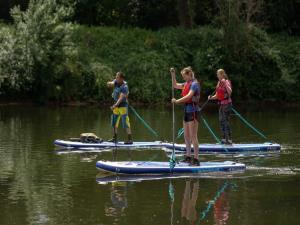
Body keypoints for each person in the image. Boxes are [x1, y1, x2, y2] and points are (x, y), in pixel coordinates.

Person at [170, 67, 200, 166]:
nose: (183, 78)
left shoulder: (194, 84)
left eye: (184, 76)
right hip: (186, 110)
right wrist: (173, 75)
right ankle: (188, 157)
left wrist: (177, 101)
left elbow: (189, 96)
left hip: (193, 111)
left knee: (193, 136)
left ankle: (196, 159)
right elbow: (175, 85)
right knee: (186, 136)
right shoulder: (186, 84)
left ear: (189, 74)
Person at [107, 72, 133, 144]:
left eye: (117, 77)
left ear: (121, 79)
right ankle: (114, 138)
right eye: (116, 77)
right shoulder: (116, 82)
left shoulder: (124, 87)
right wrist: (109, 83)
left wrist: (114, 105)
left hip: (123, 106)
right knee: (114, 122)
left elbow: (120, 98)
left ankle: (130, 140)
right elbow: (111, 83)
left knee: (125, 123)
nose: (116, 78)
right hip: (116, 106)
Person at [208, 69, 233, 145]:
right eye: (217, 74)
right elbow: (218, 95)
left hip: (227, 104)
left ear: (222, 74)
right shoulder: (219, 83)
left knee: (225, 121)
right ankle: (224, 139)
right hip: (222, 105)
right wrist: (211, 97)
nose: (217, 75)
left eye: (218, 74)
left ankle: (229, 139)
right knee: (221, 121)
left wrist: (225, 83)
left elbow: (230, 92)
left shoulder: (226, 81)